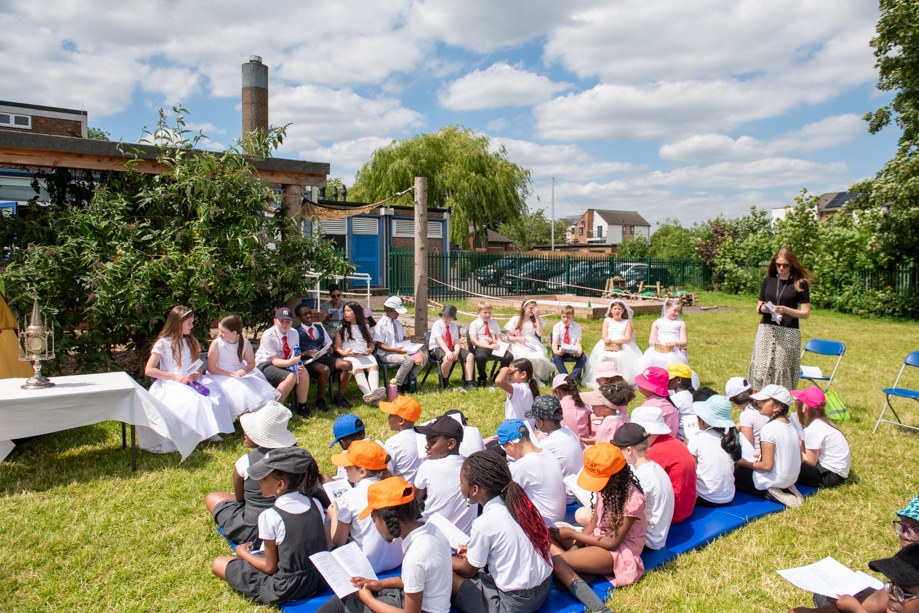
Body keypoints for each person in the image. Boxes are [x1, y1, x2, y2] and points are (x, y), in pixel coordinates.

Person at [315, 476, 453, 613]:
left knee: (342, 603)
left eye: (374, 520)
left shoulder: (415, 557)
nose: (375, 526)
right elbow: (417, 580)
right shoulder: (432, 531)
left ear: (387, 518)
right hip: (418, 601)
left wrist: (368, 600)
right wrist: (380, 584)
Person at [212, 447, 327, 605]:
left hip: (288, 587)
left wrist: (242, 553)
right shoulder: (315, 504)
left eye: (264, 478)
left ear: (280, 484)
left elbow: (269, 567)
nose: (259, 481)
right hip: (319, 579)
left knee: (219, 564)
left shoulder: (270, 516)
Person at [450, 450, 554, 613]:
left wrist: (444, 556)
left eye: (461, 482)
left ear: (474, 489)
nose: (460, 485)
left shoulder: (484, 523)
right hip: (542, 591)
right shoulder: (520, 506)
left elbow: (468, 571)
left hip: (514, 605)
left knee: (448, 577)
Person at [550, 443, 647, 589]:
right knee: (547, 537)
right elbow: (594, 521)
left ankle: (570, 572)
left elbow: (612, 543)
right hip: (598, 538)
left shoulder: (633, 500)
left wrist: (572, 534)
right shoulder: (606, 488)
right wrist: (575, 549)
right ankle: (572, 569)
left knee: (557, 561)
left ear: (616, 477)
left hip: (618, 551)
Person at [205, 401, 298, 545]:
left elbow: (240, 499)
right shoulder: (299, 458)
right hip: (294, 524)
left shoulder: (245, 462)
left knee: (212, 497)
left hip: (256, 532)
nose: (245, 432)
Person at [145, 305, 233, 448]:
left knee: (214, 395)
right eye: (189, 323)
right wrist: (175, 377)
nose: (191, 326)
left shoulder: (191, 341)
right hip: (171, 381)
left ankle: (211, 430)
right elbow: (149, 370)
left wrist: (197, 372)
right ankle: (191, 434)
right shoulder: (163, 344)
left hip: (191, 379)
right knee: (192, 402)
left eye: (192, 323)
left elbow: (197, 363)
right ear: (178, 323)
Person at [329, 440, 404, 573]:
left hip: (369, 566)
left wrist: (334, 516)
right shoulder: (396, 486)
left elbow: (339, 541)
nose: (344, 468)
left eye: (348, 465)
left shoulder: (348, 498)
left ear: (362, 472)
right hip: (399, 559)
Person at [749, 247, 812, 391]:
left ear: (792, 265)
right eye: (778, 265)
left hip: (788, 330)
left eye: (785, 265)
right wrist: (763, 308)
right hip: (766, 328)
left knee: (781, 366)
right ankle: (759, 397)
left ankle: (780, 397)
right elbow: (758, 307)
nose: (781, 268)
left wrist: (786, 310)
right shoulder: (768, 281)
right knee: (761, 365)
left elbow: (805, 313)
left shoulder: (800, 283)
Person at [734, 384, 804, 508]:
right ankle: (785, 488)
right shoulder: (791, 424)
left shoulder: (769, 428)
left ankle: (769, 492)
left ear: (777, 407)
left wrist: (744, 463)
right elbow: (799, 457)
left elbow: (766, 466)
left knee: (734, 473)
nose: (758, 402)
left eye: (764, 400)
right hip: (792, 477)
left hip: (776, 479)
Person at [612, 423, 674, 551]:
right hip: (658, 535)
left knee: (584, 515)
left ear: (629, 450)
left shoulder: (640, 478)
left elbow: (640, 517)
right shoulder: (655, 467)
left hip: (647, 541)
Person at [630, 405, 697, 523]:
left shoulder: (655, 453)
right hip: (686, 507)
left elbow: (638, 484)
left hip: (671, 514)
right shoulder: (674, 442)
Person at [206, 314, 280, 419]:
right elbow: (211, 367)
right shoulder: (217, 343)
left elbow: (251, 363)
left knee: (254, 391)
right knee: (238, 391)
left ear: (233, 333)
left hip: (240, 373)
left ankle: (259, 418)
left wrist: (244, 370)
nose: (219, 334)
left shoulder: (245, 343)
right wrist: (231, 374)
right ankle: (244, 417)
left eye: (223, 332)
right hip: (221, 374)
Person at [413, 415, 476, 534]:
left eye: (432, 442)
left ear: (451, 444)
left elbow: (415, 496)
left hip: (435, 534)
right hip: (466, 537)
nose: (426, 446)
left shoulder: (428, 466)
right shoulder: (471, 465)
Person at [498, 418, 566, 527]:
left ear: (511, 445)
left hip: (543, 526)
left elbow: (502, 497)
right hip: (559, 518)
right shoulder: (548, 453)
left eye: (504, 447)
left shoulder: (522, 466)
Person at [525, 395, 584, 505]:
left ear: (541, 422)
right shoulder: (569, 432)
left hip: (566, 498)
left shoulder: (548, 444)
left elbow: (529, 464)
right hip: (577, 491)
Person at [295, 304, 353, 410]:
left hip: (322, 357)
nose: (309, 316)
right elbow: (294, 354)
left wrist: (330, 349)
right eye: (304, 314)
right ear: (298, 318)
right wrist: (306, 353)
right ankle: (320, 399)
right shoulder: (296, 332)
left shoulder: (319, 328)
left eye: (309, 312)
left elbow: (328, 344)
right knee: (324, 369)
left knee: (347, 364)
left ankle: (340, 396)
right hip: (307, 361)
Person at [687, 395, 741, 507]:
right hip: (728, 496)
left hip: (705, 497)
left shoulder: (697, 438)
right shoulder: (729, 438)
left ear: (706, 422)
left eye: (698, 418)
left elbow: (690, 469)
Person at [254, 307, 310, 414]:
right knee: (290, 376)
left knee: (303, 372)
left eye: (288, 322)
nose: (285, 325)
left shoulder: (294, 333)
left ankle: (302, 407)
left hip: (285, 361)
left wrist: (297, 364)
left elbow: (294, 353)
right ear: (275, 321)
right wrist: (291, 362)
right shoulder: (268, 335)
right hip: (265, 364)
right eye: (282, 321)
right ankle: (276, 410)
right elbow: (274, 360)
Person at [793, 387, 851, 489]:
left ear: (804, 407)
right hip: (837, 473)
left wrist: (794, 445)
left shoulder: (814, 429)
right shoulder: (825, 422)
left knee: (788, 463)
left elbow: (811, 462)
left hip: (828, 476)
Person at [335, 301, 387, 406]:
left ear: (356, 313)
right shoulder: (341, 329)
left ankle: (374, 391)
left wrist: (370, 350)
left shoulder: (364, 327)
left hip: (364, 353)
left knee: (373, 365)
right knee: (357, 368)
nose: (345, 313)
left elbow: (371, 343)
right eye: (344, 311)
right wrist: (345, 353)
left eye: (348, 311)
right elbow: (337, 347)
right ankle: (369, 394)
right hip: (350, 355)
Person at [583, 299, 642, 387]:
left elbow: (628, 338)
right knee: (601, 357)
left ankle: (621, 380)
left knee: (620, 358)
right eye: (615, 309)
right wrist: (606, 339)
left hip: (623, 344)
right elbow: (604, 335)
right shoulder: (607, 321)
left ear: (623, 310)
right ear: (611, 310)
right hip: (608, 343)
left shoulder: (626, 322)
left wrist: (620, 341)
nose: (617, 311)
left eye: (619, 309)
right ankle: (601, 379)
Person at [375, 296, 426, 394]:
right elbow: (380, 345)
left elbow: (402, 338)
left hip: (400, 351)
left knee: (422, 358)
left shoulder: (397, 322)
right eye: (396, 312)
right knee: (408, 360)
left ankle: (407, 380)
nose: (398, 314)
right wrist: (396, 350)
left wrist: (409, 347)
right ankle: (398, 385)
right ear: (389, 310)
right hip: (387, 354)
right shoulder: (381, 324)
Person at [504, 299, 555, 383]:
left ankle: (536, 376)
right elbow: (509, 337)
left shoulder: (536, 320)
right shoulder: (516, 319)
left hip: (532, 342)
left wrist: (537, 317)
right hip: (519, 343)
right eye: (530, 308)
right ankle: (526, 377)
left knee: (540, 357)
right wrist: (518, 339)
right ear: (524, 308)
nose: (532, 310)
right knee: (525, 357)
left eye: (534, 308)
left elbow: (540, 333)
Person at [429, 304, 476, 391]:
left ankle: (469, 382)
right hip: (437, 348)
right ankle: (444, 381)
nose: (446, 318)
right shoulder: (437, 324)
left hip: (451, 347)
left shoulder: (454, 327)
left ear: (453, 318)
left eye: (449, 317)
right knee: (448, 358)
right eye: (444, 316)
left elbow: (457, 342)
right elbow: (439, 339)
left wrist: (456, 352)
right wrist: (448, 352)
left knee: (470, 356)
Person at [379, 396, 424, 484]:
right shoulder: (423, 436)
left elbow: (387, 474)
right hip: (422, 488)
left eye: (391, 415)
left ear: (401, 421)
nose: (388, 417)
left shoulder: (393, 443)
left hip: (402, 489)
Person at [639, 297, 690, 374]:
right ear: (667, 308)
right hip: (658, 348)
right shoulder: (657, 322)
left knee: (670, 359)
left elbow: (684, 341)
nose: (676, 313)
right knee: (648, 359)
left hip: (673, 350)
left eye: (678, 311)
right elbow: (651, 340)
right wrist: (654, 342)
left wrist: (675, 343)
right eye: (674, 310)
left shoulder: (680, 323)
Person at [468, 300, 512, 387]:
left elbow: (499, 338)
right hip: (481, 346)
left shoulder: (494, 323)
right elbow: (474, 341)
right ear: (479, 312)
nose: (488, 315)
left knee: (509, 357)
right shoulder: (474, 324)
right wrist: (488, 346)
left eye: (489, 313)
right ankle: (482, 377)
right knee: (480, 357)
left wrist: (495, 342)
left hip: (494, 346)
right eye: (485, 313)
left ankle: (498, 375)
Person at [581, 379, 633, 445]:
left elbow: (601, 449)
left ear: (607, 407)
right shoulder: (623, 418)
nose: (592, 406)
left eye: (594, 404)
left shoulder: (604, 428)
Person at [635, 366, 680, 439]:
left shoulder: (651, 406)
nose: (638, 384)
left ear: (650, 387)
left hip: (659, 443)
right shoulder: (662, 402)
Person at [496, 359, 540, 430]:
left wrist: (505, 369)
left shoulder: (518, 389)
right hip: (528, 429)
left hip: (516, 430)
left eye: (511, 372)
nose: (508, 375)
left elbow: (498, 381)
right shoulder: (530, 388)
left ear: (523, 374)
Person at [727, 376, 769, 452]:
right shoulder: (763, 407)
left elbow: (747, 447)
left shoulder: (746, 415)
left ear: (733, 400)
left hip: (758, 456)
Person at [326, 413, 368, 483]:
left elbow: (345, 482)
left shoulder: (346, 456)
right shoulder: (379, 446)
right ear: (363, 433)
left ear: (342, 442)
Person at [552, 373, 593, 440]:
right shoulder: (584, 406)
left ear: (558, 392)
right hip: (584, 444)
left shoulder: (556, 407)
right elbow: (589, 431)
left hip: (563, 443)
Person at [550, 305, 586, 380]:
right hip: (561, 347)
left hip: (572, 347)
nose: (565, 319)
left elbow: (578, 342)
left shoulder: (577, 327)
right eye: (563, 317)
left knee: (583, 357)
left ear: (573, 317)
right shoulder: (557, 326)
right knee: (556, 357)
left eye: (568, 317)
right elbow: (555, 342)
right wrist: (556, 351)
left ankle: (572, 377)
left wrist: (579, 351)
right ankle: (565, 377)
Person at [667, 362, 695, 441]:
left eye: (669, 378)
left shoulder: (675, 399)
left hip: (682, 439)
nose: (666, 380)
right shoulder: (692, 395)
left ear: (678, 380)